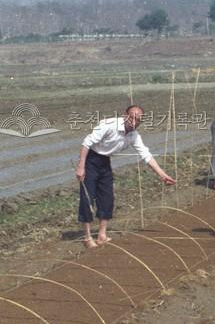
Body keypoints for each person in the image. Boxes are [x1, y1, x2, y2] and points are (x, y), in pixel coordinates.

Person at [75, 105, 176, 248]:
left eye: (138, 120)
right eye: (132, 117)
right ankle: (87, 237)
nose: (134, 122)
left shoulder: (134, 135)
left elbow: (146, 155)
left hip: (105, 162)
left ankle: (102, 235)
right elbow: (87, 143)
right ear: (125, 116)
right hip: (90, 160)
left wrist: (162, 174)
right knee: (87, 198)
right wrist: (81, 167)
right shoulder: (110, 125)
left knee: (107, 197)